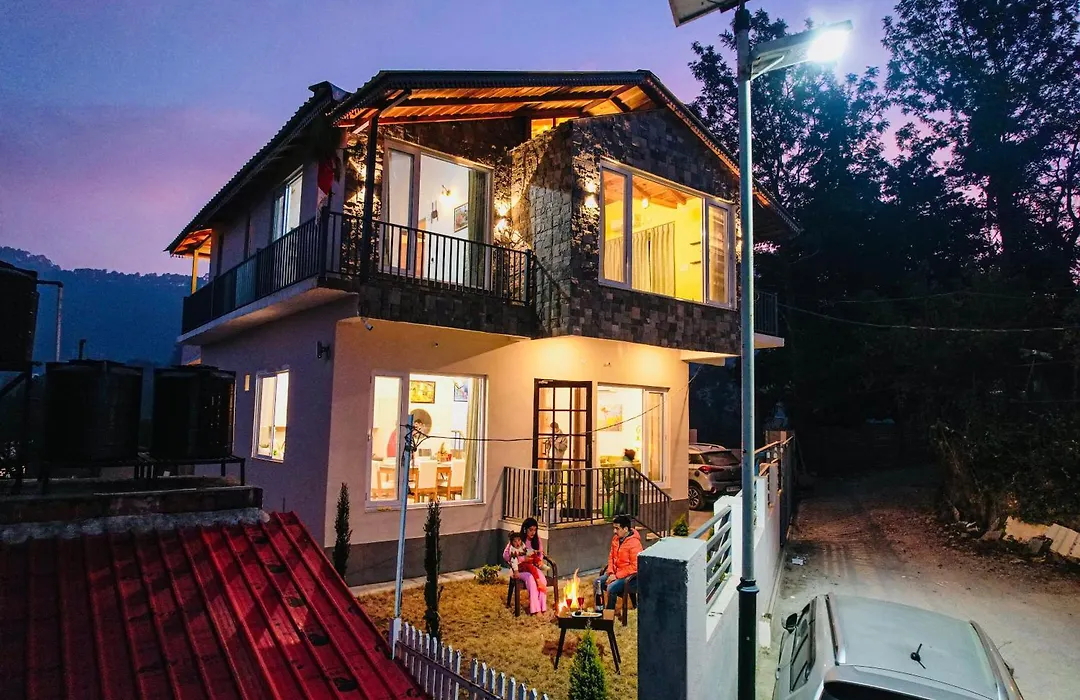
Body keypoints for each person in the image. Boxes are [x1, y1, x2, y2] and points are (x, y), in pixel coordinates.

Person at [594, 514, 642, 611]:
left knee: (611, 588)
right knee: (597, 582)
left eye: (617, 528)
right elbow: (611, 558)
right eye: (614, 528)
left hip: (629, 578)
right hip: (615, 573)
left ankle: (609, 614)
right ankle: (599, 610)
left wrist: (616, 576)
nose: (614, 531)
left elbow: (635, 566)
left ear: (625, 529)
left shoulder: (635, 544)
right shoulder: (615, 539)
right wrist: (611, 573)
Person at [504, 517, 548, 614]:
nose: (533, 533)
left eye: (535, 530)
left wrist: (537, 561)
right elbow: (506, 555)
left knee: (542, 580)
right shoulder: (517, 540)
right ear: (525, 529)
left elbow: (539, 554)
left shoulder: (537, 540)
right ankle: (535, 610)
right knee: (531, 579)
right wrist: (523, 559)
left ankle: (542, 607)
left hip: (532, 567)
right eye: (531, 530)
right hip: (519, 569)